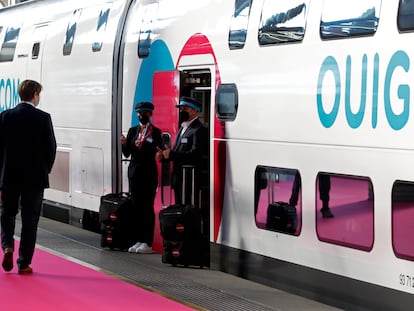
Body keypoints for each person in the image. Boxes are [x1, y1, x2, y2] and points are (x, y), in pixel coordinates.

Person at [0, 79, 57, 274]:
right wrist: (44, 170)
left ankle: (7, 246)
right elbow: (51, 149)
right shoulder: (43, 118)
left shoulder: (5, 117)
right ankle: (24, 263)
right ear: (34, 95)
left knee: (7, 213)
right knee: (30, 219)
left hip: (9, 177)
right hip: (34, 179)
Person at [120, 102, 162, 254]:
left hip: (148, 174)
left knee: (147, 208)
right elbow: (127, 154)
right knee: (135, 207)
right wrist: (125, 145)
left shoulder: (156, 133)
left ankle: (147, 242)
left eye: (145, 113)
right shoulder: (133, 131)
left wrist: (143, 146)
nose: (141, 116)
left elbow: (157, 151)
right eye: (139, 113)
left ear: (150, 114)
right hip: (134, 174)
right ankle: (137, 239)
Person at [156, 96, 208, 206]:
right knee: (180, 209)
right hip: (179, 178)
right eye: (181, 108)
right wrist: (165, 156)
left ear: (194, 111)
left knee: (189, 210)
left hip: (189, 180)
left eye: (185, 108)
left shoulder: (199, 129)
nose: (181, 111)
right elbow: (177, 152)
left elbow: (195, 154)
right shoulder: (183, 128)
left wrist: (172, 154)